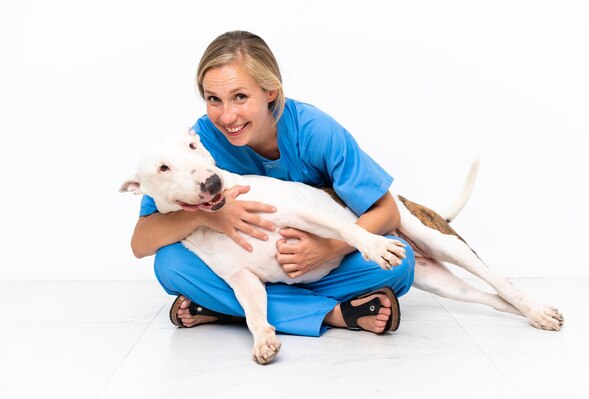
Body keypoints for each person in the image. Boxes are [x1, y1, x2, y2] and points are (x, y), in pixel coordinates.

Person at [130, 30, 415, 337]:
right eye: (214, 99)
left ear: (270, 91)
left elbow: (388, 212)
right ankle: (333, 313)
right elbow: (142, 241)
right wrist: (205, 214)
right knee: (170, 264)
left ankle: (226, 307)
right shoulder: (195, 144)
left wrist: (328, 249)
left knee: (401, 261)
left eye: (240, 97)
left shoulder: (314, 129)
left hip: (320, 265)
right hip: (244, 267)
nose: (227, 116)